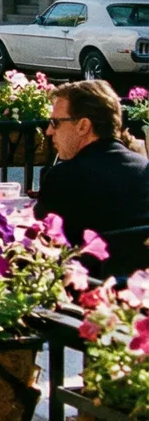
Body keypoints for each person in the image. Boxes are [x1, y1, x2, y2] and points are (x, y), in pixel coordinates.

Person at [36, 79, 149, 279]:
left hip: (81, 299)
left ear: (83, 126)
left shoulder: (63, 178)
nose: (49, 131)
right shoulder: (144, 169)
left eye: (55, 123)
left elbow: (43, 244)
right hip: (140, 295)